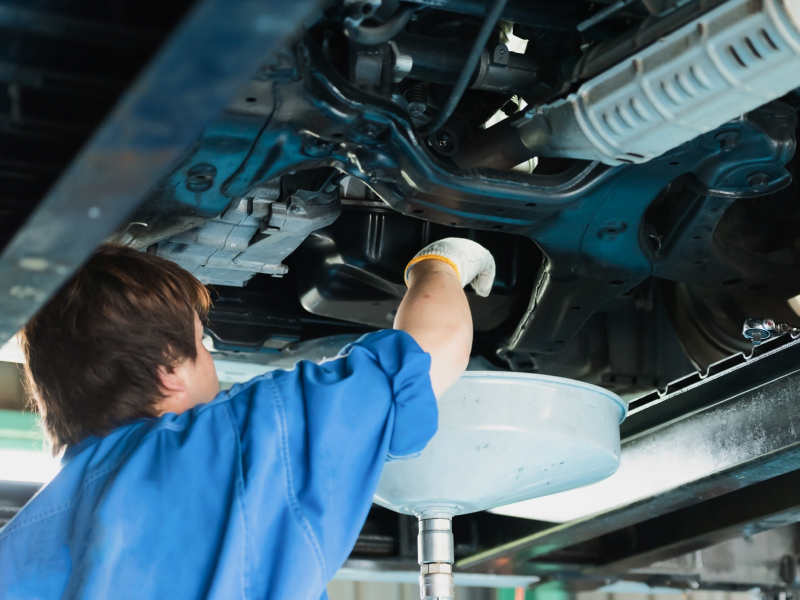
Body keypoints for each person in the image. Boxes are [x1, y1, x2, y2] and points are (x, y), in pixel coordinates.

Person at [0, 237, 495, 600]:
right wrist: (441, 262)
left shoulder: (18, 546)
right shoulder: (236, 438)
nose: (209, 357)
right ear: (169, 371)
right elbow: (429, 352)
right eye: (201, 343)